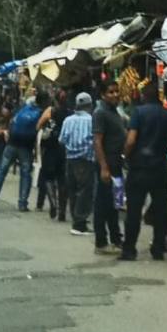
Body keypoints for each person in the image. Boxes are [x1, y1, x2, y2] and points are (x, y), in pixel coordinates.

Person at [120, 80, 167, 262]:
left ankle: (129, 249)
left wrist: (125, 156)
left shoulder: (138, 113)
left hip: (139, 168)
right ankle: (158, 249)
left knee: (134, 211)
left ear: (143, 96)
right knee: (160, 211)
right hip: (160, 169)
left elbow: (131, 140)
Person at [0, 89, 48, 210]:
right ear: (45, 101)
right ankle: (22, 203)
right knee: (25, 174)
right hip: (26, 146)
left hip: (12, 143)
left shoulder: (25, 107)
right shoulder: (42, 113)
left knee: (1, 170)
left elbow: (13, 121)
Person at [92, 78, 125, 254]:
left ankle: (116, 238)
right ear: (103, 95)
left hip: (117, 163)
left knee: (115, 201)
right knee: (103, 203)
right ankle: (101, 241)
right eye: (111, 92)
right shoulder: (100, 113)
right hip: (107, 163)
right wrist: (104, 167)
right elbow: (97, 141)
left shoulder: (114, 111)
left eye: (116, 91)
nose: (115, 94)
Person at [60, 92, 96, 236]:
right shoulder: (91, 120)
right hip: (86, 159)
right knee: (85, 191)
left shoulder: (68, 120)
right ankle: (79, 223)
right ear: (89, 105)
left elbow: (62, 140)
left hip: (71, 159)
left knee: (73, 190)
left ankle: (77, 220)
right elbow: (95, 140)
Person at [36, 90, 69, 220]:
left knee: (48, 177)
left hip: (50, 148)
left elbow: (38, 125)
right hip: (64, 148)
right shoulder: (69, 111)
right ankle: (62, 212)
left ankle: (53, 203)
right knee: (62, 179)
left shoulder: (51, 110)